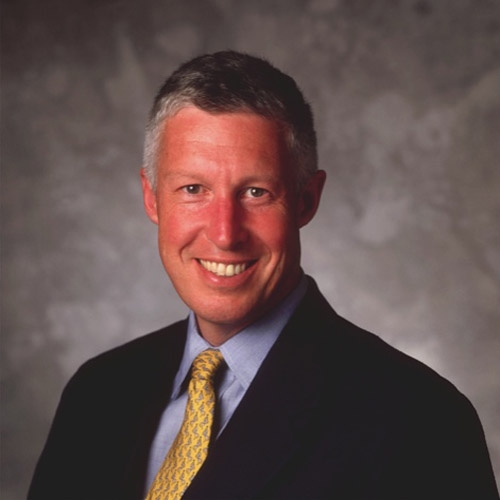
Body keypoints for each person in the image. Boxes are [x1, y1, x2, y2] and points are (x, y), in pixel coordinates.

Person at [28, 50, 498, 500]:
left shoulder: (418, 421)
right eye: (193, 189)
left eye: (255, 192)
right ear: (152, 198)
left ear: (306, 200)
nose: (224, 233)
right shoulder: (97, 394)